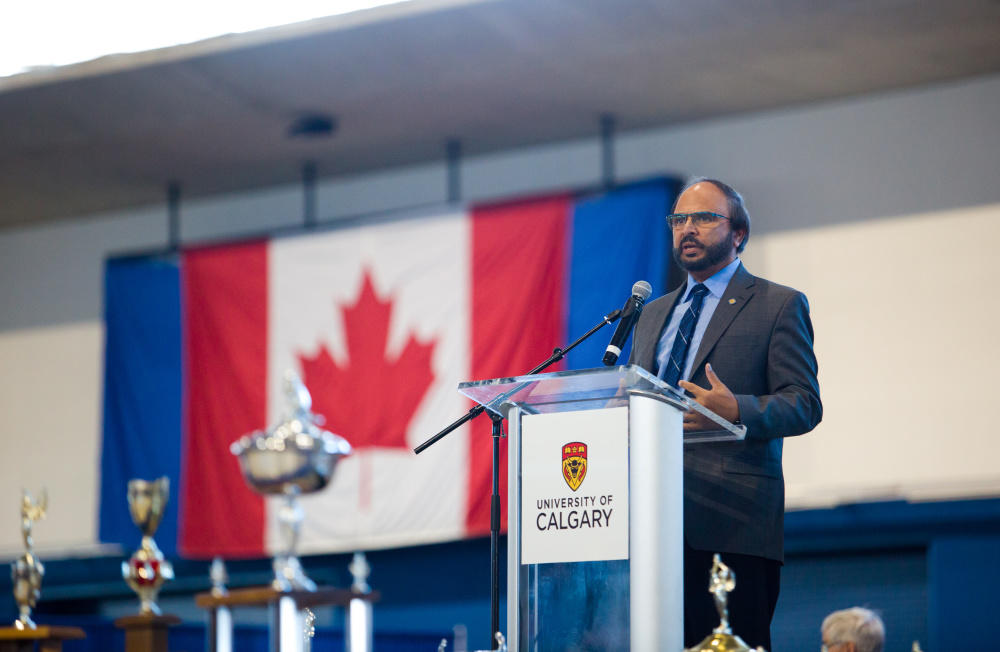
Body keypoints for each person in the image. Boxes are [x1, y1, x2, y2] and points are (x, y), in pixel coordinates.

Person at [628, 177, 822, 648]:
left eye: (704, 218)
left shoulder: (777, 304)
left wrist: (739, 409)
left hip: (733, 525)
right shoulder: (652, 314)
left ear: (738, 233)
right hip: (653, 526)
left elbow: (804, 403)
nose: (687, 229)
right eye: (679, 220)